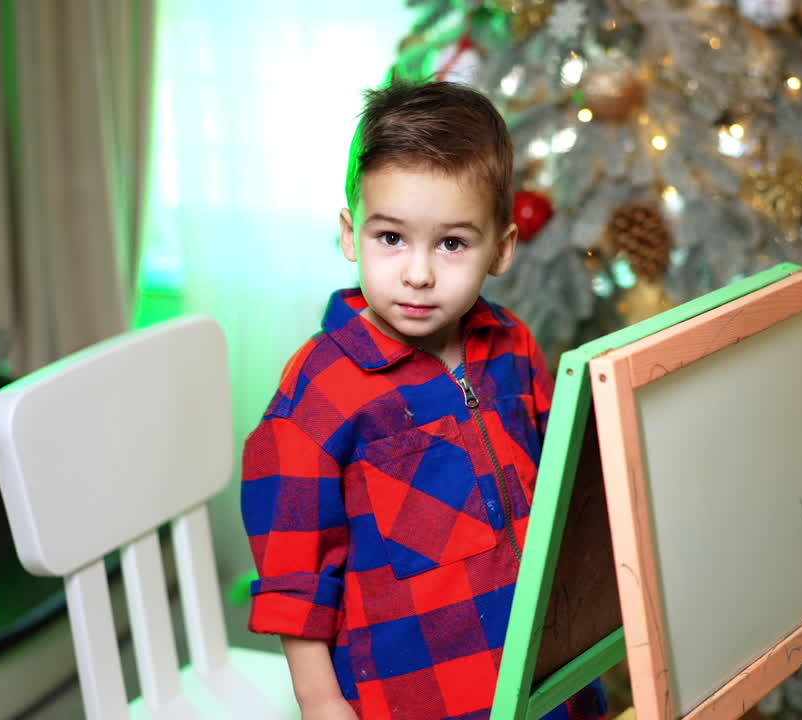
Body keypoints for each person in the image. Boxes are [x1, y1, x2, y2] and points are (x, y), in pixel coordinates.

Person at [240, 80, 607, 720]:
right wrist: (321, 701)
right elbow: (294, 574)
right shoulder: (319, 393)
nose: (417, 273)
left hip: (547, 682)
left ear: (501, 248)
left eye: (452, 243)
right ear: (352, 235)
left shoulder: (513, 348)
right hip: (423, 697)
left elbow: (564, 493)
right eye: (391, 239)